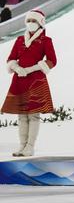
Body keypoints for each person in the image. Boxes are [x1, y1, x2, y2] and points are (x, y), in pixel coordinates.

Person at [4, 9, 55, 157]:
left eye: (34, 21)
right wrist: (17, 68)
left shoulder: (46, 40)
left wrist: (32, 68)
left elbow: (52, 60)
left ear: (40, 23)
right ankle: (22, 146)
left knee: (33, 115)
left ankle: (30, 146)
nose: (31, 23)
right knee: (21, 115)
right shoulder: (20, 40)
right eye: (29, 21)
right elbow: (11, 58)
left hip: (36, 80)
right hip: (19, 80)